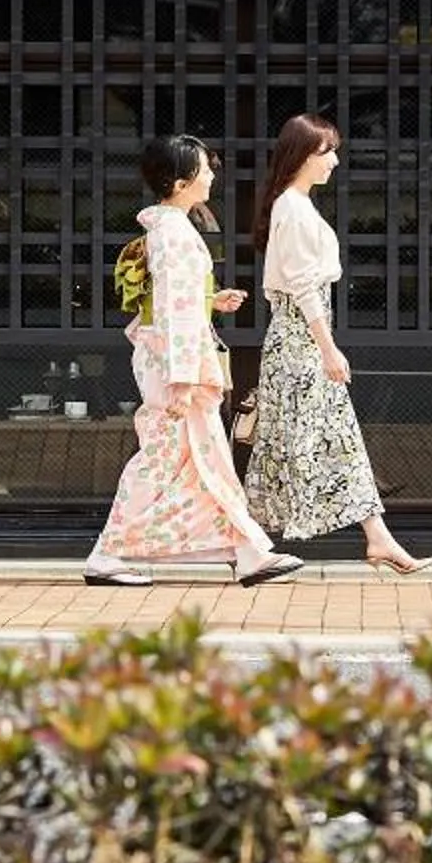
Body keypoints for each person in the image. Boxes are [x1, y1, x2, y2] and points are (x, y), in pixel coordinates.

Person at [82, 135, 303, 589]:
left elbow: (174, 304)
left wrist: (210, 300)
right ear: (181, 182)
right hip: (177, 371)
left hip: (173, 364)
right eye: (204, 169)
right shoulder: (176, 235)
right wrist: (183, 378)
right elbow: (174, 311)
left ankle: (248, 552)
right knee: (164, 459)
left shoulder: (168, 231)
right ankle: (107, 554)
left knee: (204, 460)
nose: (211, 176)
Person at [244, 113, 432, 574]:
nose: (334, 160)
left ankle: (377, 538)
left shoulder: (296, 206)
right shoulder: (291, 207)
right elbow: (303, 288)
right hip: (300, 343)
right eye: (326, 151)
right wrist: (328, 348)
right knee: (293, 445)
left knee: (322, 443)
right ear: (303, 156)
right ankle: (242, 543)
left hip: (300, 341)